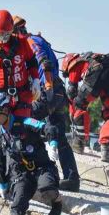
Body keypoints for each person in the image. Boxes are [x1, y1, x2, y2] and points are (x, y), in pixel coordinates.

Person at [12, 15, 80, 191]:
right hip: (58, 91)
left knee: (26, 122)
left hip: (47, 90)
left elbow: (44, 62)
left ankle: (33, 173)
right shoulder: (37, 39)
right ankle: (72, 178)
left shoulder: (30, 42)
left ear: (16, 31)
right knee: (58, 133)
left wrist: (47, 86)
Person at [61, 52, 109, 162]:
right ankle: (106, 148)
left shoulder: (75, 63)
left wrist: (72, 111)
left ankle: (79, 142)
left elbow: (71, 91)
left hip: (98, 75)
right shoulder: (102, 59)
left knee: (79, 105)